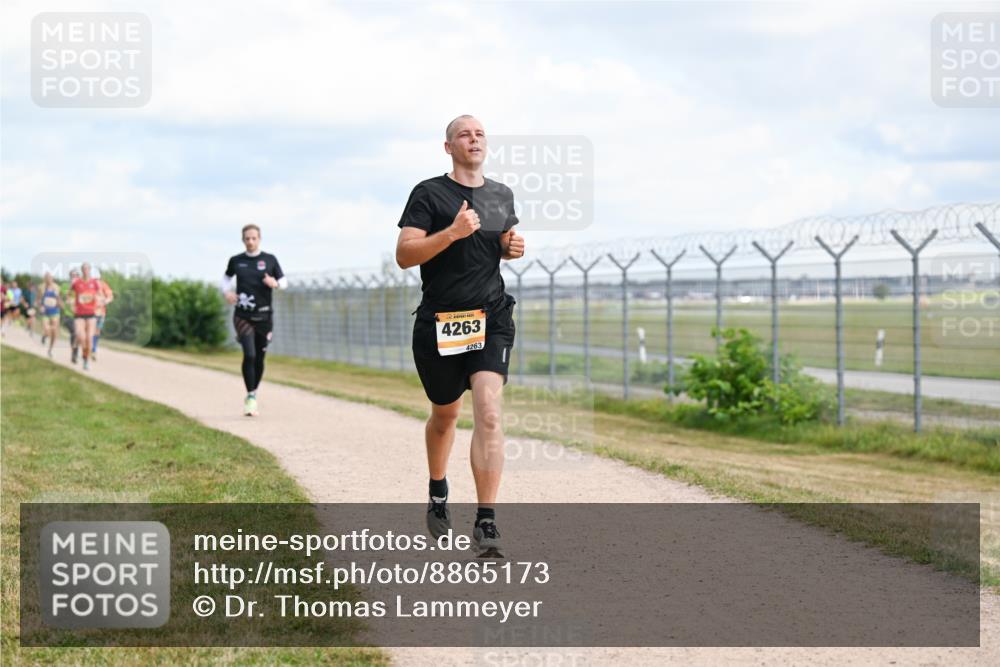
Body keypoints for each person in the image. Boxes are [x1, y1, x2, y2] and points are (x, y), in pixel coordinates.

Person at [395, 115, 526, 558]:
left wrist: (509, 248)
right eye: (464, 134)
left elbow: (497, 246)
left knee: (488, 412)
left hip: (491, 317)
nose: (474, 138)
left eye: (480, 133)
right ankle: (437, 490)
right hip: (440, 324)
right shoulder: (429, 193)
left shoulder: (500, 195)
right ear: (448, 147)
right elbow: (404, 255)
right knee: (445, 416)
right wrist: (451, 232)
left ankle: (486, 521)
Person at [222, 224, 287, 416]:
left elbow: (284, 282)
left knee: (259, 357)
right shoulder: (236, 261)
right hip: (243, 315)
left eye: (254, 238)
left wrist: (274, 283)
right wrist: (227, 293)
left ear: (259, 239)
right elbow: (225, 280)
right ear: (243, 240)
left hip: (264, 317)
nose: (250, 241)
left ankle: (253, 392)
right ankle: (250, 397)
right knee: (249, 355)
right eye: (247, 238)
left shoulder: (269, 260)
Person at [71, 264, 102, 370]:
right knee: (81, 337)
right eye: (83, 269)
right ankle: (80, 353)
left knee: (89, 338)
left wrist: (99, 303)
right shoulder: (77, 283)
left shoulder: (95, 283)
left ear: (90, 270)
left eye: (87, 269)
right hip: (79, 314)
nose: (85, 271)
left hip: (91, 314)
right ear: (81, 270)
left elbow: (100, 295)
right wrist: (71, 304)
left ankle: (85, 360)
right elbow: (69, 295)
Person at [38, 273, 63, 358]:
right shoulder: (41, 287)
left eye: (50, 278)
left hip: (55, 312)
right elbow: (38, 299)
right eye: (47, 278)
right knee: (46, 329)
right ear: (44, 279)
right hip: (45, 312)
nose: (48, 279)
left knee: (54, 333)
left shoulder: (57, 288)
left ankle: (50, 350)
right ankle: (45, 336)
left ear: (52, 279)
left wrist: (60, 304)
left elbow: (60, 299)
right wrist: (40, 306)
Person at [90, 272, 114, 361]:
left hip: (101, 312)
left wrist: (104, 302)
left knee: (97, 331)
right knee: (90, 330)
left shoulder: (104, 285)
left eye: (97, 279)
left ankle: (94, 349)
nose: (96, 281)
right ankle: (89, 348)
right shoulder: (89, 285)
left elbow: (110, 297)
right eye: (94, 279)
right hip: (90, 312)